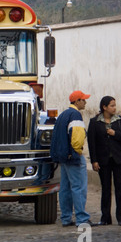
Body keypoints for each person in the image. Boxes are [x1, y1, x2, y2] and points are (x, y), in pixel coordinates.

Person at [50, 90, 97, 227]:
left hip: (63, 157)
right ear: (77, 101)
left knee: (65, 188)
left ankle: (66, 218)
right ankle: (82, 218)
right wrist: (77, 152)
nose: (85, 102)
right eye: (83, 100)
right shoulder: (75, 115)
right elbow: (77, 139)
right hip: (73, 157)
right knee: (78, 187)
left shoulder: (64, 114)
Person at [87, 96, 121, 226]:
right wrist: (94, 161)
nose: (114, 108)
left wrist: (115, 134)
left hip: (119, 160)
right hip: (103, 161)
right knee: (106, 189)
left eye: (115, 105)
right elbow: (92, 143)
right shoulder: (95, 122)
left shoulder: (120, 120)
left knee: (120, 188)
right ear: (104, 107)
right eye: (112, 105)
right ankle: (105, 217)